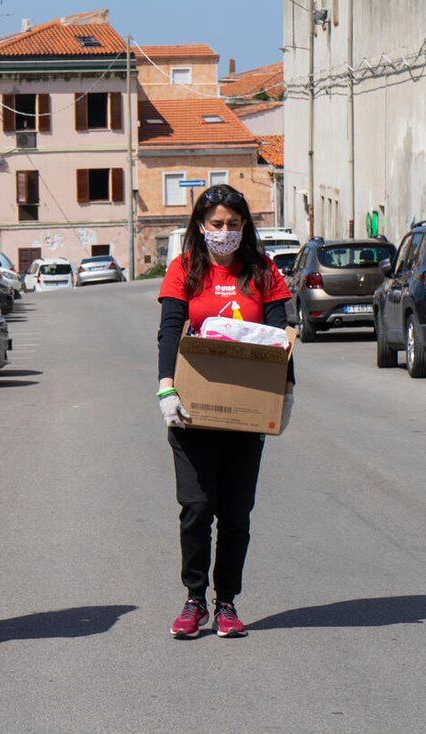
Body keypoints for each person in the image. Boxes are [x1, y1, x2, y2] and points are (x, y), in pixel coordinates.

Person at [156, 184, 295, 639]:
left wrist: (285, 392)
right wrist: (165, 388)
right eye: (217, 224)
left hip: (245, 412)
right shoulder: (184, 270)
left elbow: (279, 340)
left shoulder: (263, 272)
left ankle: (227, 603)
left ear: (245, 227)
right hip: (193, 409)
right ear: (201, 225)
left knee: (236, 514)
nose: (225, 232)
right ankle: (194, 600)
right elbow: (170, 328)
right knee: (196, 508)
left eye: (234, 225)